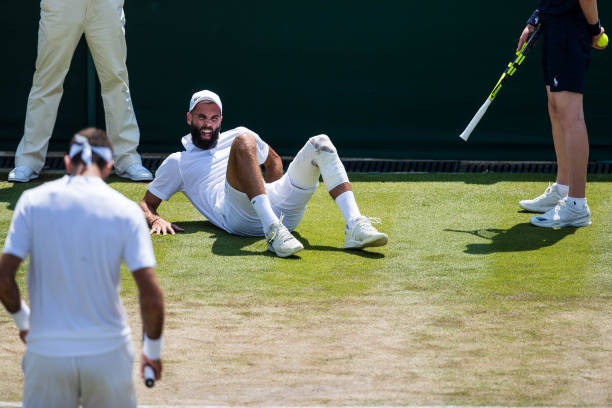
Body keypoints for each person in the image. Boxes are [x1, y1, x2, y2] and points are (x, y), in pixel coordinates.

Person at [0, 128, 164, 407]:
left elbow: (4, 278)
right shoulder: (126, 211)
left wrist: (26, 323)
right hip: (108, 355)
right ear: (110, 166)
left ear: (66, 163)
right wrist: (152, 351)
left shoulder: (32, 202)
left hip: (47, 354)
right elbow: (151, 298)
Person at [139, 90, 388, 258]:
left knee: (320, 143)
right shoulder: (178, 162)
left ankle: (354, 225)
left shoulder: (234, 132)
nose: (208, 124)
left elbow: (274, 161)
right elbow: (146, 203)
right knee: (244, 140)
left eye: (214, 118)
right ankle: (272, 230)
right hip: (236, 216)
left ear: (220, 120)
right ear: (189, 118)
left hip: (279, 211)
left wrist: (272, 196)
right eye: (201, 117)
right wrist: (155, 219)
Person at [8, 0, 153, 182]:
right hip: (61, 5)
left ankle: (127, 159)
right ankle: (28, 161)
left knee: (116, 79)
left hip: (105, 5)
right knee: (47, 80)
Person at [516, 0, 607, 227]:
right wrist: (535, 19)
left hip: (570, 29)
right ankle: (563, 189)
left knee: (570, 115)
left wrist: (594, 28)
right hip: (554, 25)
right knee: (556, 109)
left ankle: (577, 204)